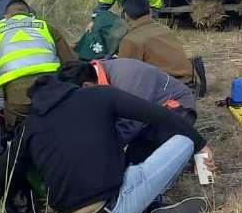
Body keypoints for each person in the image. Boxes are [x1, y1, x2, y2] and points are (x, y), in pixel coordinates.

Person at [7, 75, 214, 213]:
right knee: (184, 143)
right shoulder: (99, 95)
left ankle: (151, 203)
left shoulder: (29, 127)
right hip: (110, 210)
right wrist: (200, 144)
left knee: (133, 160)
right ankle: (150, 203)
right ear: (65, 86)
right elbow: (157, 114)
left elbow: (7, 172)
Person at [59, 58, 197, 163]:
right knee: (128, 158)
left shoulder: (129, 78)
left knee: (140, 161)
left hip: (177, 109)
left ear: (86, 86)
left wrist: (98, 152)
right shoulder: (92, 73)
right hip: (147, 115)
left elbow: (131, 123)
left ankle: (188, 150)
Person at [0, 0, 77, 131]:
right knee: (57, 127)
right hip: (50, 91)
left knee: (18, 133)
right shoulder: (45, 26)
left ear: (6, 16)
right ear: (30, 14)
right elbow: (71, 63)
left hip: (17, 99)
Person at [117, 0, 194, 82]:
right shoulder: (165, 29)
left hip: (165, 84)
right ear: (150, 11)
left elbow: (124, 74)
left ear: (125, 15)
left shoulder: (131, 40)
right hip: (187, 80)